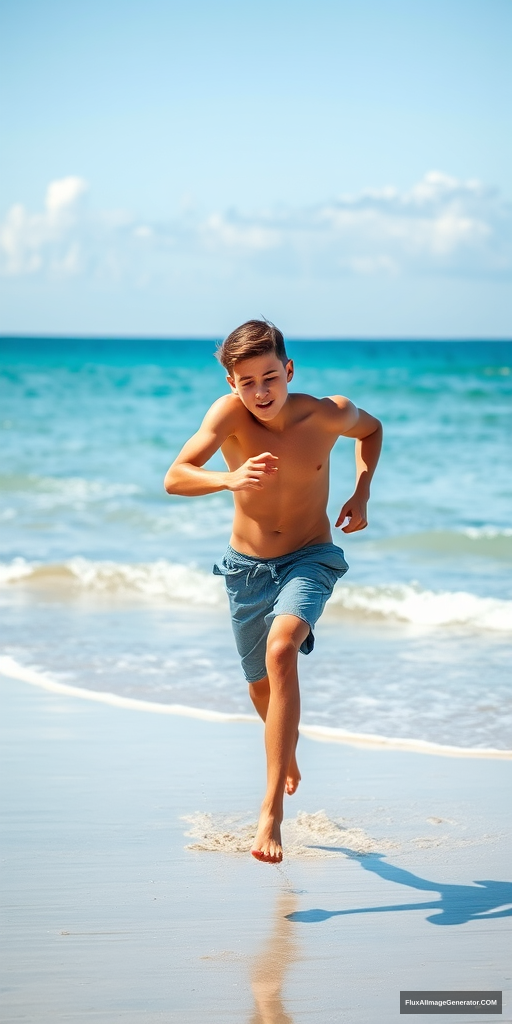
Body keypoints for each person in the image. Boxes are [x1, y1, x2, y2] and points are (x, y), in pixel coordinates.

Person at [164, 320, 382, 863]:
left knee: (282, 650)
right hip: (246, 569)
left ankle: (270, 815)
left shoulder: (327, 413)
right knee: (260, 685)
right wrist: (228, 479)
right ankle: (284, 752)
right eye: (246, 383)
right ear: (232, 384)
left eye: (269, 378)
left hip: (311, 555)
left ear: (288, 370)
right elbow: (176, 475)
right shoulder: (228, 415)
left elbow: (372, 431)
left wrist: (361, 490)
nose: (260, 393)